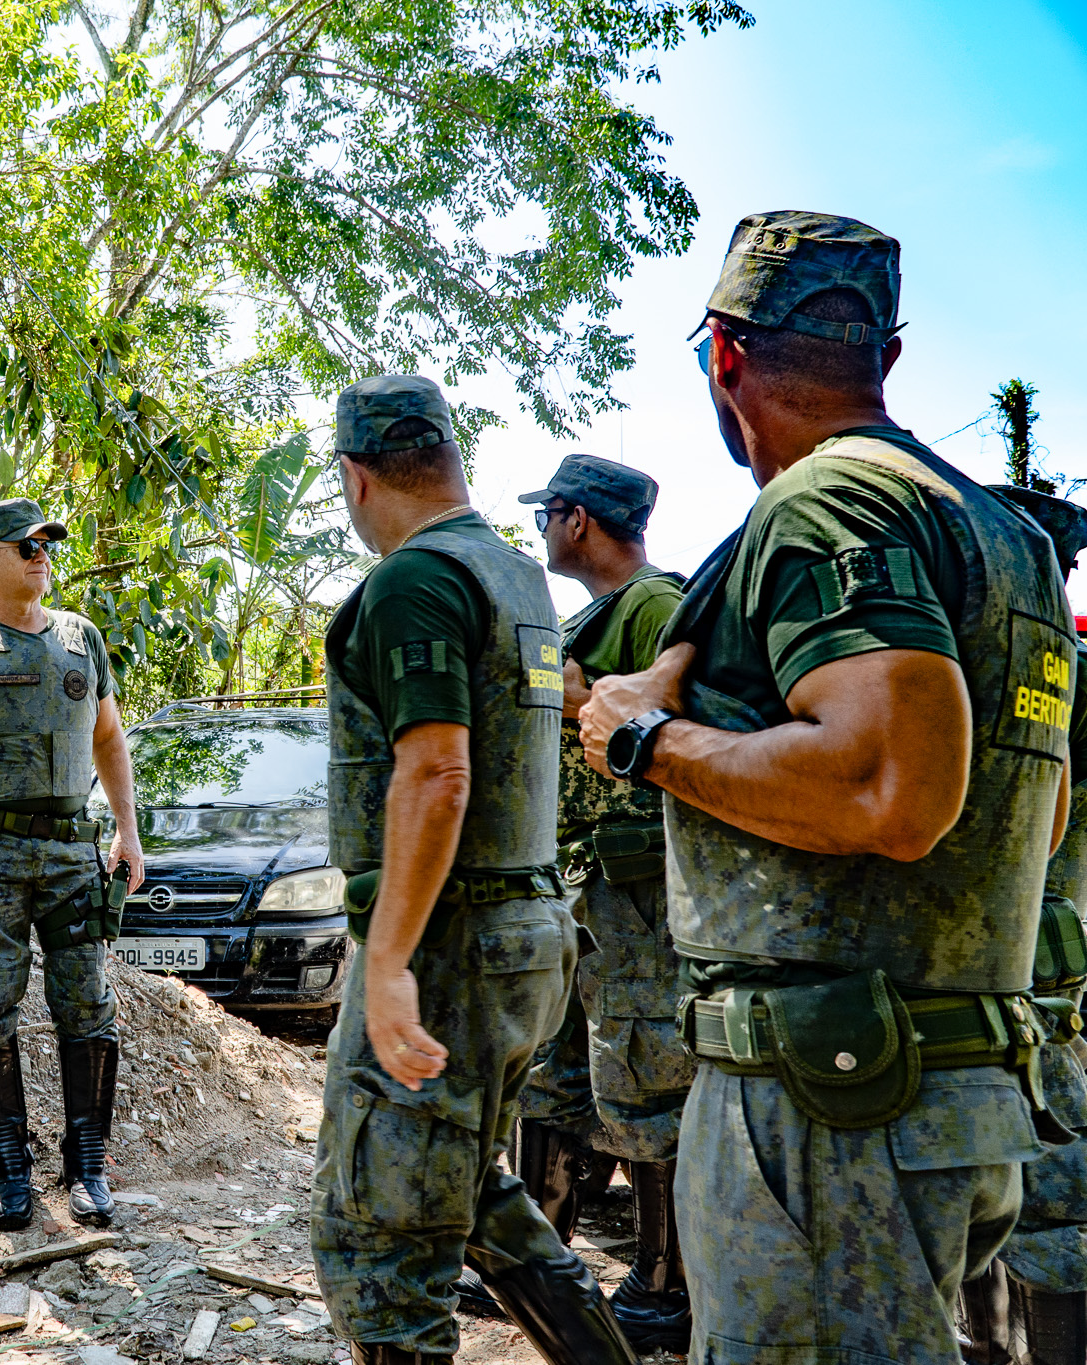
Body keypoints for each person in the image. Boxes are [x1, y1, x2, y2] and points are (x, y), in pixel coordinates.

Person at [580, 211, 1073, 1365]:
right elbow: (1031, 817)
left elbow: (887, 789)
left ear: (722, 355)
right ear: (885, 356)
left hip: (820, 1111)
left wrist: (640, 741)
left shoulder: (826, 505)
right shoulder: (1008, 540)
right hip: (950, 1090)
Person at [310, 374, 637, 1365]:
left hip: (448, 944)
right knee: (470, 1189)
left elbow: (438, 771)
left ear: (354, 477)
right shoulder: (513, 575)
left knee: (381, 1241)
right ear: (448, 458)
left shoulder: (416, 578)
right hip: (523, 930)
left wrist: (386, 961)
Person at [0, 498, 146, 1230]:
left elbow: (110, 741)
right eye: (25, 544)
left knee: (88, 1004)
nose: (42, 553)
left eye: (47, 542)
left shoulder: (82, 639)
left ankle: (89, 1163)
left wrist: (127, 832)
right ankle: (11, 1167)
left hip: (75, 850)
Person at [507, 455, 693, 1351]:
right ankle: (538, 1261)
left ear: (577, 520)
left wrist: (597, 709)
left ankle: (664, 1280)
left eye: (549, 513)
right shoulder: (599, 615)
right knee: (554, 1073)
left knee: (647, 1074)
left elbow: (693, 736)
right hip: (581, 889)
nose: (543, 528)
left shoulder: (658, 605)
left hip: (637, 892)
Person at [962, 486, 1087, 1365]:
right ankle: (990, 1343)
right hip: (1042, 949)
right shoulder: (1064, 659)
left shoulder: (1021, 659)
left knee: (1043, 1185)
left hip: (1019, 954)